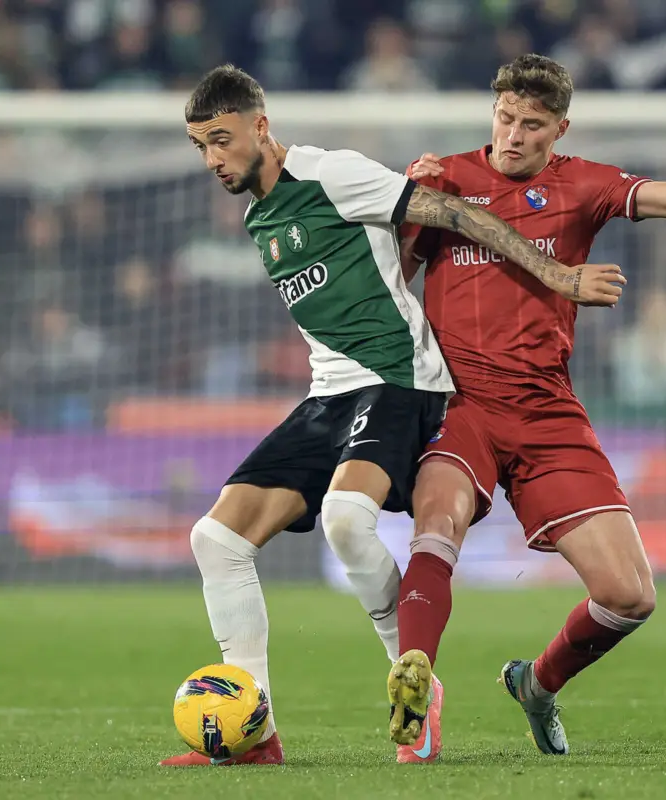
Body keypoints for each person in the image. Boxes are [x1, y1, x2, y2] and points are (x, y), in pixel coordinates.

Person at [161, 63, 628, 767]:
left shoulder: (329, 174)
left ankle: (416, 687)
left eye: (221, 140)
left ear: (261, 125)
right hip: (330, 395)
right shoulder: (260, 214)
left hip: (400, 382)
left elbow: (459, 215)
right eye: (201, 147)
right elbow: (389, 263)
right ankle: (256, 734)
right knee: (215, 540)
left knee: (349, 520)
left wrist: (559, 276)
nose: (213, 159)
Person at [385, 53, 666, 763]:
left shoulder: (582, 185)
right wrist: (404, 214)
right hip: (462, 403)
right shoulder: (446, 177)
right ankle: (414, 682)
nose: (513, 135)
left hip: (547, 413)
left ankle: (535, 685)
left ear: (559, 128)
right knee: (437, 522)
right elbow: (392, 279)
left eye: (531, 125)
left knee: (631, 596)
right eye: (505, 118)